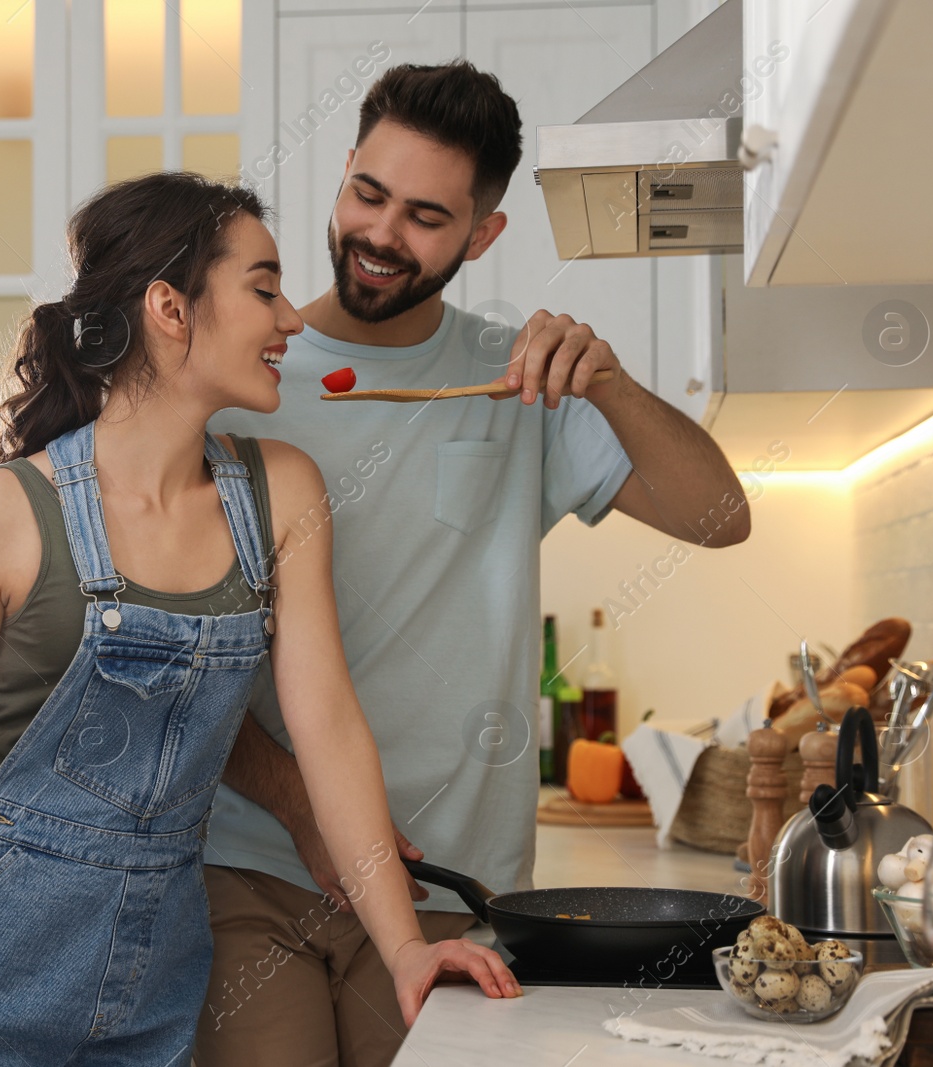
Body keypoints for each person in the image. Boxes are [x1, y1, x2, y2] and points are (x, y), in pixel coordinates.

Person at [0, 171, 520, 1066]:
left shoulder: (282, 493)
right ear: (170, 307)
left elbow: (330, 728)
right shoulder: (1, 511)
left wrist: (406, 946)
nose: (292, 319)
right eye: (263, 288)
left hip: (146, 988)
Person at [195, 61, 752, 1067]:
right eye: (367, 194)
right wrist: (298, 807)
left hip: (450, 886)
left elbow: (720, 516)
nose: (379, 234)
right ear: (342, 176)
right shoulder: (243, 382)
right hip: (251, 866)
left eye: (423, 216)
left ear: (481, 234)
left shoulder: (517, 383)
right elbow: (180, 654)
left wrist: (612, 384)